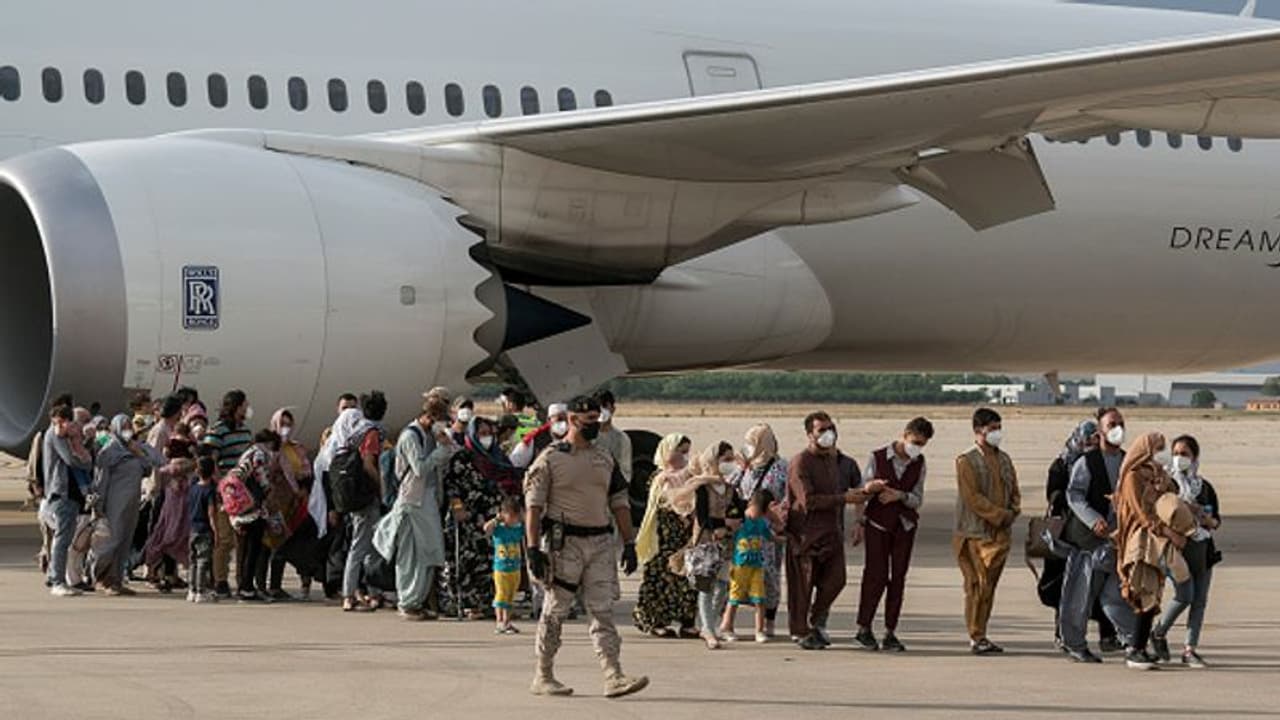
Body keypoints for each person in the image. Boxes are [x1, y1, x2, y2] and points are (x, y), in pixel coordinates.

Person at [524, 395, 647, 698]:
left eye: (598, 419)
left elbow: (619, 501)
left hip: (601, 543)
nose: (596, 425)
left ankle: (613, 674)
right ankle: (544, 673)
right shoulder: (551, 458)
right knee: (556, 610)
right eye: (590, 420)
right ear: (573, 420)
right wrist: (532, 549)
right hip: (565, 544)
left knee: (602, 610)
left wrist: (629, 542)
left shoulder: (605, 458)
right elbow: (533, 506)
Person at [1059, 407, 1137, 664]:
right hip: (1089, 542)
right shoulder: (1087, 462)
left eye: (1121, 423)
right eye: (1113, 424)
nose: (1118, 429)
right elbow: (1074, 495)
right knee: (1081, 595)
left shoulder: (1128, 462)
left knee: (1117, 595)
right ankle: (1074, 643)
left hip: (1118, 542)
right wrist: (1093, 520)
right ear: (1100, 430)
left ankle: (1134, 641)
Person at [855, 416, 933, 652]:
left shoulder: (919, 463)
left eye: (922, 444)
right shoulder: (878, 457)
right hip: (878, 524)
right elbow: (862, 491)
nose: (916, 448)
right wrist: (871, 490)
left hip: (904, 526)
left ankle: (890, 630)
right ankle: (864, 627)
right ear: (904, 434)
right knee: (875, 575)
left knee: (898, 578)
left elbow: (918, 498)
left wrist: (900, 496)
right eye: (915, 442)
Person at [1042, 420, 1120, 652]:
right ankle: (1064, 634)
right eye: (1086, 439)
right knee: (1069, 587)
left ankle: (1108, 636)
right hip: (1071, 535)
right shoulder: (1062, 464)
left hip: (1101, 531)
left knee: (1105, 583)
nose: (1090, 443)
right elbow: (1055, 496)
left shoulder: (1103, 463)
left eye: (1094, 439)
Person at [1114, 432, 1189, 671]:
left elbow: (1174, 493)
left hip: (1157, 542)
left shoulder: (1157, 474)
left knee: (1154, 594)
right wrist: (1167, 533)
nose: (1162, 452)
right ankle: (1135, 650)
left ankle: (1140, 647)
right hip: (1142, 542)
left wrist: (1163, 481)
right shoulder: (1132, 477)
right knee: (1144, 592)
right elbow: (1141, 513)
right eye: (1159, 448)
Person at [785, 412, 860, 650]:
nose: (829, 434)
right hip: (805, 535)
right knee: (803, 587)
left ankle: (813, 619)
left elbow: (849, 488)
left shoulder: (834, 461)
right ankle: (801, 631)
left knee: (837, 580)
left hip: (831, 533)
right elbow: (808, 501)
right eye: (822, 430)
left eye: (831, 428)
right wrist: (843, 498)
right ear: (810, 435)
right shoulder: (801, 462)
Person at [953, 408, 1021, 655]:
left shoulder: (1004, 459)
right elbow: (972, 498)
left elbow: (1014, 489)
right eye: (992, 428)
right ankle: (975, 635)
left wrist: (1013, 511)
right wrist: (999, 515)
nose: (997, 433)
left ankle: (982, 633)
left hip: (999, 536)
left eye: (998, 428)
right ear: (978, 430)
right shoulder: (966, 460)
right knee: (976, 586)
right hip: (973, 534)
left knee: (989, 588)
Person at [378, 398, 452, 621]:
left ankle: (417, 600)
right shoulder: (411, 436)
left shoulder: (428, 435)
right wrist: (441, 451)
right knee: (410, 555)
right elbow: (419, 468)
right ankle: (408, 601)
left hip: (426, 500)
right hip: (413, 501)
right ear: (430, 417)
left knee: (428, 551)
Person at [1151, 434, 1220, 668]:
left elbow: (1216, 522)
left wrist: (1204, 517)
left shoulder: (1205, 487)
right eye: (1177, 453)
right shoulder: (1167, 485)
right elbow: (1158, 514)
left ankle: (1190, 649)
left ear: (1195, 457)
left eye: (1185, 454)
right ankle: (1158, 632)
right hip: (1177, 550)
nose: (1180, 458)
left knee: (1199, 600)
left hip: (1203, 550)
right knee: (1184, 596)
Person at [668, 442, 738, 650]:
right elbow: (704, 516)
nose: (729, 463)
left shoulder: (729, 488)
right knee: (706, 587)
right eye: (725, 459)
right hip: (706, 543)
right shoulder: (702, 488)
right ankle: (708, 629)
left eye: (731, 459)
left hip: (726, 544)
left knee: (723, 588)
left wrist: (733, 522)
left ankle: (710, 624)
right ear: (713, 461)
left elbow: (736, 511)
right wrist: (722, 524)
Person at [632, 433, 699, 638]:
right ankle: (657, 621)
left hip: (685, 536)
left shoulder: (691, 476)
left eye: (686, 452)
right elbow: (660, 504)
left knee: (687, 577)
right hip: (663, 535)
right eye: (680, 451)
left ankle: (687, 622)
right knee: (660, 578)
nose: (684, 457)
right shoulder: (659, 478)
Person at [726, 424, 790, 638]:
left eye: (753, 443)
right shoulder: (746, 467)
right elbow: (729, 488)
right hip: (746, 531)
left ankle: (767, 622)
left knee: (768, 577)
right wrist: (742, 468)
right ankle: (729, 622)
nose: (749, 447)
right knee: (740, 575)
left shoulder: (781, 467)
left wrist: (778, 519)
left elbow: (787, 497)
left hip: (767, 531)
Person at [442, 417, 506, 617]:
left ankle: (486, 602)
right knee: (464, 561)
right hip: (467, 518)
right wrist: (459, 508)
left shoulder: (496, 457)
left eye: (489, 433)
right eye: (481, 433)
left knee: (488, 561)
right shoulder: (462, 458)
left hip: (489, 518)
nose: (486, 437)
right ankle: (462, 602)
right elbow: (452, 487)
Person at [92, 414, 162, 595]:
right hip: (114, 502)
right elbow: (101, 479)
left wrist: (138, 453)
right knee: (112, 541)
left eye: (129, 425)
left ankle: (116, 579)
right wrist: (98, 505)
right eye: (123, 426)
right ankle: (100, 577)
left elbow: (147, 470)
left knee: (125, 540)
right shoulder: (109, 451)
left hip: (132, 502)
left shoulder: (132, 448)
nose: (127, 429)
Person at [335, 393, 388, 612]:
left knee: (369, 545)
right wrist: (381, 486)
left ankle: (372, 592)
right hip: (366, 495)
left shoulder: (355, 431)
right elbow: (368, 464)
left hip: (354, 492)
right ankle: (349, 594)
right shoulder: (371, 433)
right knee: (360, 546)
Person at [203, 390, 255, 597]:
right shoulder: (218, 431)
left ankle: (242, 579)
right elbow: (210, 459)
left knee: (241, 538)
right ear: (236, 407)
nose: (247, 409)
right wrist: (220, 485)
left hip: (243, 493)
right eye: (244, 405)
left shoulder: (245, 431)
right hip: (225, 492)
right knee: (224, 539)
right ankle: (220, 580)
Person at [267, 408, 321, 600]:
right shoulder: (270, 449)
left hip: (297, 502)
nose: (286, 429)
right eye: (282, 424)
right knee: (278, 545)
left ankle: (305, 579)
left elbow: (307, 471)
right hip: (277, 502)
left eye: (289, 424)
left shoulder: (297, 448)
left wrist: (303, 489)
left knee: (303, 542)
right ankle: (274, 586)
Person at [226, 429, 283, 602]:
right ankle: (247, 588)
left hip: (243, 506)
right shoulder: (259, 453)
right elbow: (260, 474)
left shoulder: (247, 453)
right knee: (254, 548)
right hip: (253, 508)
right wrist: (268, 489)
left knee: (246, 549)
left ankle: (244, 586)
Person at [42, 404, 93, 596]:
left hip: (70, 494)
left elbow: (83, 463)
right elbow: (71, 460)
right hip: (61, 493)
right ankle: (57, 581)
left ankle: (55, 577)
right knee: (62, 539)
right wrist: (84, 460)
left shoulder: (66, 438)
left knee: (64, 538)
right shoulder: (55, 436)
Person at [721, 489, 779, 643]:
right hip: (740, 565)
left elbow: (772, 536)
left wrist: (784, 536)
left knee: (760, 599)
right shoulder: (740, 518)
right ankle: (727, 627)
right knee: (734, 598)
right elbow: (725, 526)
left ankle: (759, 631)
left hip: (757, 565)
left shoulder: (761, 522)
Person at [142, 437, 195, 593]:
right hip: (180, 510)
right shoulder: (185, 465)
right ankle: (167, 574)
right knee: (172, 540)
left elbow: (161, 477)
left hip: (169, 507)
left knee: (164, 539)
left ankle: (161, 573)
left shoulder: (171, 466)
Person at [486, 495, 525, 634]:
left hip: (515, 568)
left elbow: (529, 525)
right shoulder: (499, 529)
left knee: (510, 596)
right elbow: (486, 529)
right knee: (501, 595)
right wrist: (497, 519)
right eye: (511, 515)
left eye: (516, 515)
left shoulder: (518, 529)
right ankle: (499, 621)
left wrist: (523, 517)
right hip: (501, 569)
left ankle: (507, 621)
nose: (514, 519)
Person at [187, 455, 219, 603]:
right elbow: (211, 513)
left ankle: (191, 589)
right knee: (203, 561)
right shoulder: (210, 490)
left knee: (193, 561)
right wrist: (216, 532)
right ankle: (201, 590)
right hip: (205, 528)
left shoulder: (193, 488)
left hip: (192, 528)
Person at [592, 390, 633, 488]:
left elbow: (626, 470)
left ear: (613, 409)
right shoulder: (588, 437)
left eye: (605, 407)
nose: (602, 411)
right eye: (598, 407)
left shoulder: (621, 438)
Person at [510, 403, 569, 470]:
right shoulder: (534, 440)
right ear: (549, 420)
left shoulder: (575, 439)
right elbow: (514, 465)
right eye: (560, 419)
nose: (563, 423)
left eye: (566, 420)